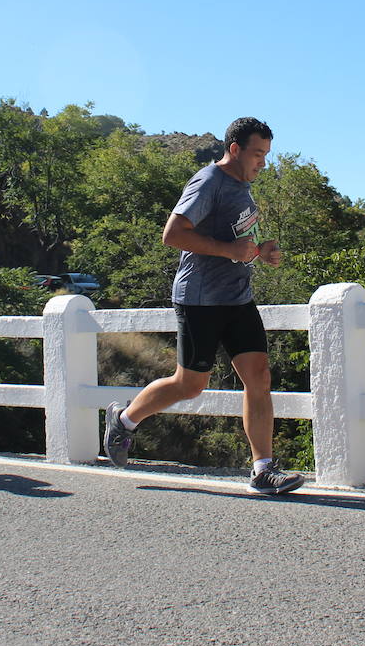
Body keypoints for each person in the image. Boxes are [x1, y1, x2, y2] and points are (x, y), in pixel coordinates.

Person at [103, 117, 305, 494]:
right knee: (189, 386)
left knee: (259, 378)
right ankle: (125, 420)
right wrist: (229, 250)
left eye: (266, 155)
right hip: (200, 299)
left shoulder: (242, 187)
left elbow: (238, 237)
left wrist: (261, 252)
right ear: (234, 150)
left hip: (237, 297)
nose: (263, 162)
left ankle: (263, 469)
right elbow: (173, 234)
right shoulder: (208, 181)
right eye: (258, 154)